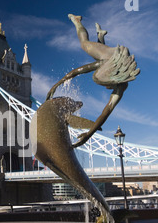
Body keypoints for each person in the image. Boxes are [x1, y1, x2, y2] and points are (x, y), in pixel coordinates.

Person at [47, 14, 140, 148]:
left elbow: (105, 113)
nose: (106, 88)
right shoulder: (119, 83)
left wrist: (89, 134)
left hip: (118, 58)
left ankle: (100, 37)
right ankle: (77, 21)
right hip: (111, 56)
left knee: (98, 55)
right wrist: (58, 83)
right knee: (84, 44)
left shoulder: (121, 84)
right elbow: (80, 70)